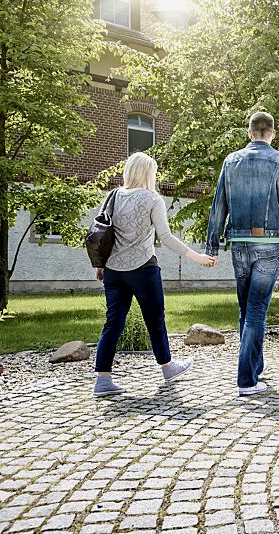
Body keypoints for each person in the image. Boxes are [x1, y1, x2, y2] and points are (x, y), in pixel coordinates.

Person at [93, 152, 215, 396]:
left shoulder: (113, 196)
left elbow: (101, 233)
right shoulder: (152, 198)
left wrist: (100, 265)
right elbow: (166, 237)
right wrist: (197, 257)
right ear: (148, 173)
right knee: (155, 320)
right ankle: (168, 367)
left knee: (113, 322)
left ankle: (102, 380)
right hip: (143, 268)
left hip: (114, 271)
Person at [205, 111, 279, 396]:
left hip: (239, 244)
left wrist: (212, 245)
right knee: (257, 310)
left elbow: (218, 206)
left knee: (247, 309)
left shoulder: (231, 161)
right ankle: (246, 380)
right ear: (272, 132)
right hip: (269, 245)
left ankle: (255, 366)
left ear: (250, 133)